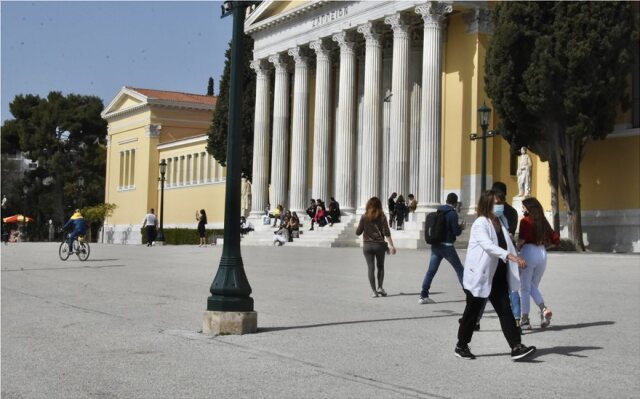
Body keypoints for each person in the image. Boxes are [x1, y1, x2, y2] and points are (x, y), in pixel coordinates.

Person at [455, 190, 536, 361]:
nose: (500, 205)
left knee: (505, 310)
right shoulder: (480, 223)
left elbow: (507, 243)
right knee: (472, 312)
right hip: (481, 275)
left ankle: (516, 346)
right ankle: (461, 345)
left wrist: (516, 258)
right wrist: (511, 256)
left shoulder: (500, 221)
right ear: (487, 204)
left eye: (501, 202)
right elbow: (488, 246)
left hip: (498, 275)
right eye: (496, 202)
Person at [517, 197, 559, 330]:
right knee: (533, 285)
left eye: (524, 207)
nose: (522, 209)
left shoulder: (525, 221)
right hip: (542, 253)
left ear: (529, 208)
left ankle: (527, 318)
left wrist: (516, 249)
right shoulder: (543, 221)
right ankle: (543, 314)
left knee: (525, 287)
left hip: (528, 252)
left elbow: (522, 240)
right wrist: (544, 246)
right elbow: (556, 240)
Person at [419, 193, 465, 304]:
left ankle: (423, 295)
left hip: (436, 245)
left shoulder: (439, 211)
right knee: (459, 269)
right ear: (455, 202)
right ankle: (469, 293)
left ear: (446, 200)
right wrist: (461, 227)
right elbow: (456, 232)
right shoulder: (452, 214)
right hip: (448, 246)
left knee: (431, 271)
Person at [355, 197, 397, 298]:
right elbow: (386, 232)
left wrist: (361, 227)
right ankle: (380, 287)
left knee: (370, 268)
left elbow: (358, 232)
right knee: (380, 267)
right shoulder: (382, 216)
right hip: (379, 245)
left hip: (367, 246)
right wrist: (392, 245)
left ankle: (374, 291)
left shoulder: (364, 216)